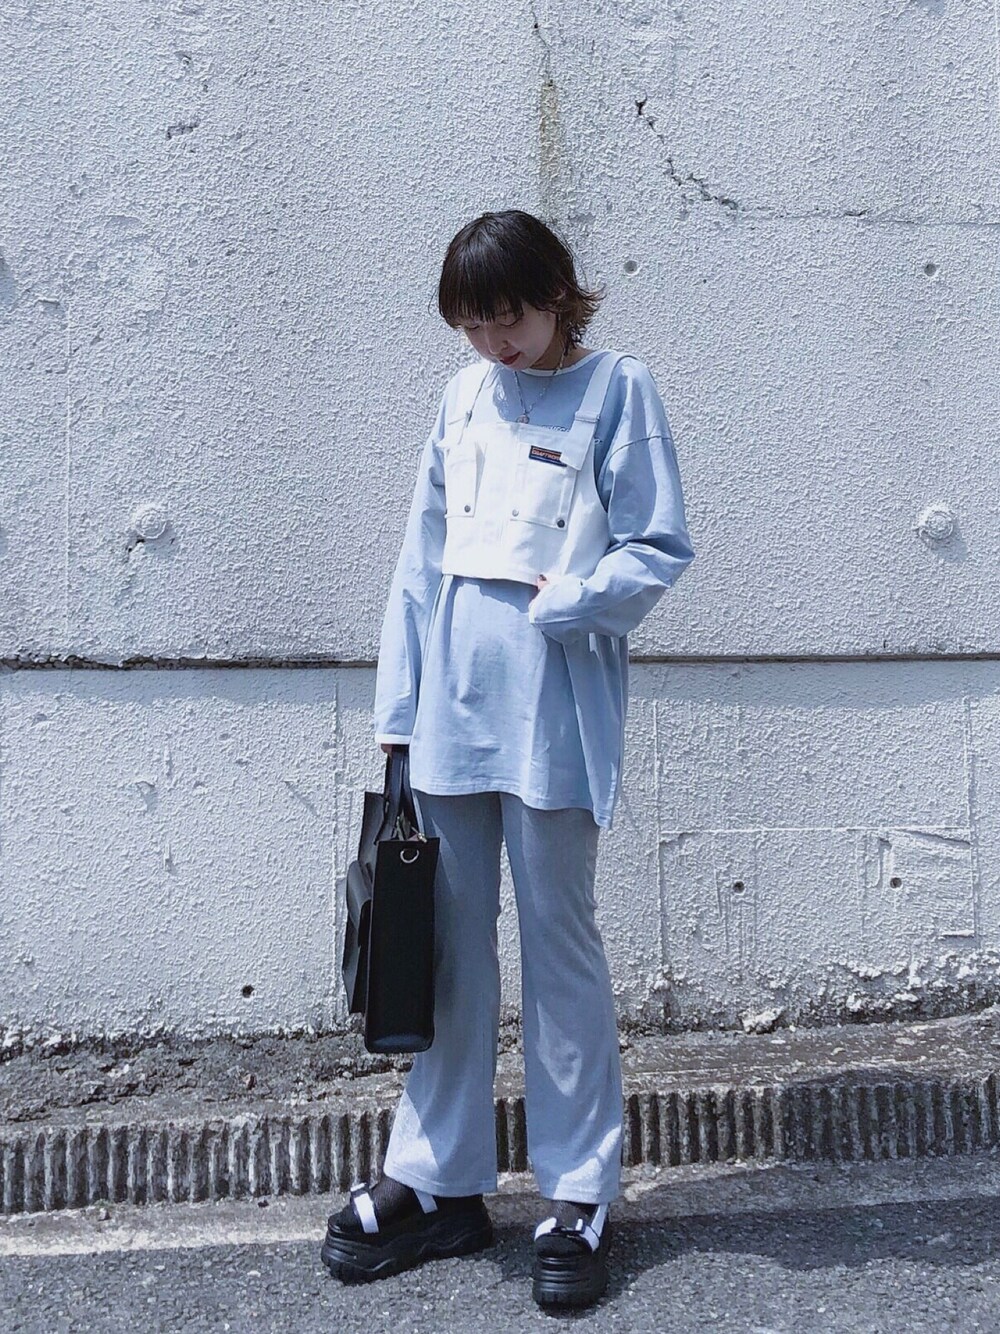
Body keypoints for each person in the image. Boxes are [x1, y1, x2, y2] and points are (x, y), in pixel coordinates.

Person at [320, 209, 696, 1308]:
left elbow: (659, 542)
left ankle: (578, 1190)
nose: (496, 343)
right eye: (474, 325)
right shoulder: (461, 397)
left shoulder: (619, 389)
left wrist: (572, 599)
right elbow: (420, 558)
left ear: (557, 296)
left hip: (553, 703)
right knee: (443, 944)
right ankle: (439, 1180)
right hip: (451, 704)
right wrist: (397, 714)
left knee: (558, 942)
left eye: (510, 318)